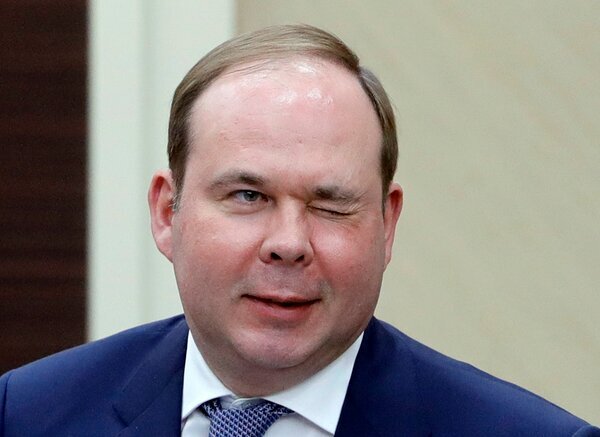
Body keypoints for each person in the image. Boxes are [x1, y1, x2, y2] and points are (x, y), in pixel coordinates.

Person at [0, 24, 597, 437]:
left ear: (387, 224)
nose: (289, 243)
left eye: (330, 205)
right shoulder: (25, 415)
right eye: (248, 196)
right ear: (166, 212)